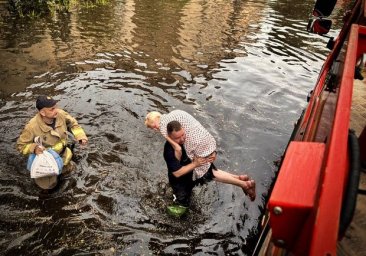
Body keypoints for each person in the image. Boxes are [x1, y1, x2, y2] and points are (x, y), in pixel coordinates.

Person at [146, 110, 256, 201]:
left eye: (153, 126)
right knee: (210, 169)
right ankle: (239, 178)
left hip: (197, 144)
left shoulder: (164, 127)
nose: (156, 129)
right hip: (204, 138)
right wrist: (211, 150)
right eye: (153, 129)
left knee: (208, 174)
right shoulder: (176, 113)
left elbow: (177, 148)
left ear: (157, 118)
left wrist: (194, 162)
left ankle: (244, 185)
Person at [16, 95, 88, 190]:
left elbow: (73, 124)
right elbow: (21, 146)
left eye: (56, 107)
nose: (57, 110)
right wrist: (34, 148)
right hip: (46, 165)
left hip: (64, 157)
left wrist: (80, 136)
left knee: (70, 177)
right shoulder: (31, 127)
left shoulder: (61, 114)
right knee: (48, 188)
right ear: (42, 112)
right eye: (52, 109)